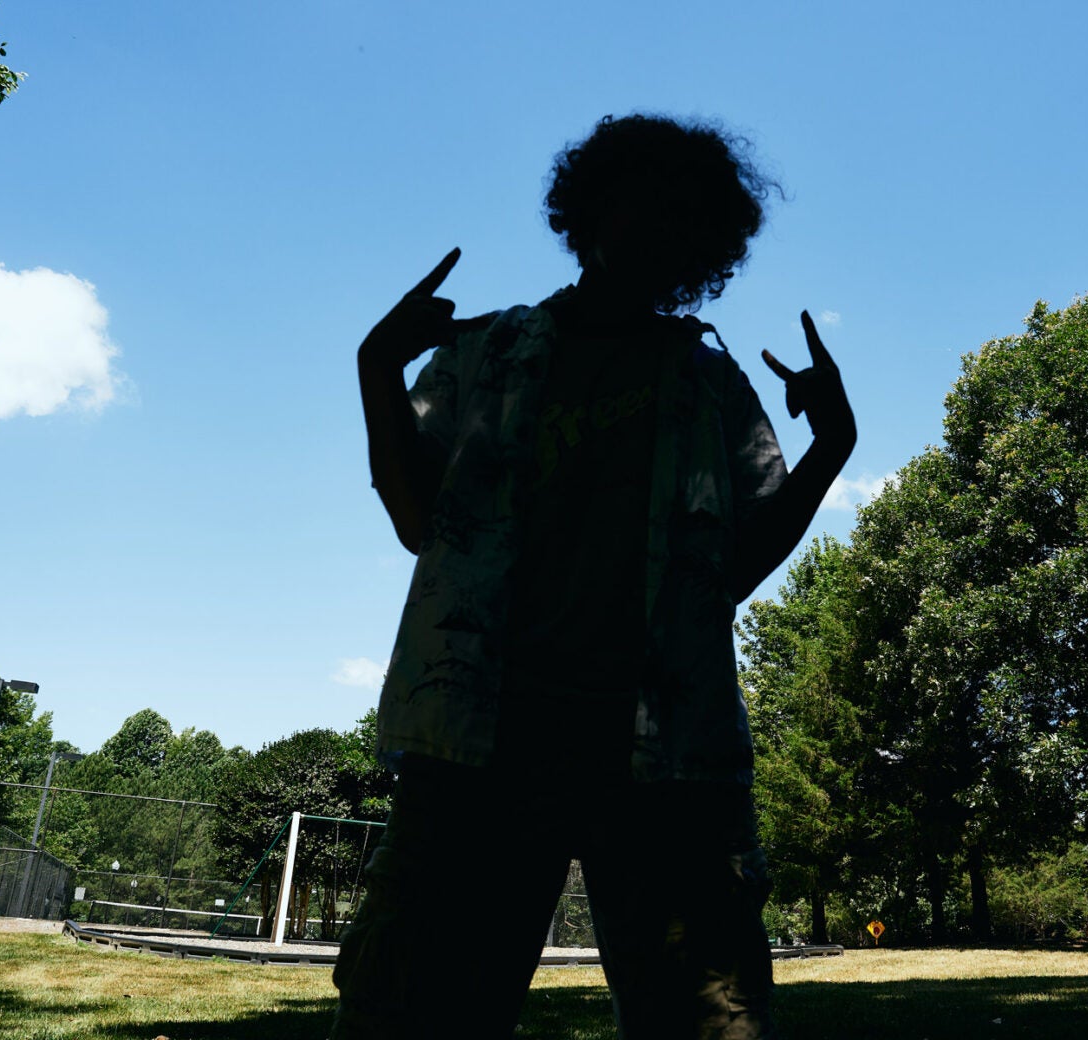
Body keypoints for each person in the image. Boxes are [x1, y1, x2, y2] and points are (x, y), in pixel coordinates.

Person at [331, 113, 855, 1040]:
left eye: (687, 218)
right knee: (413, 1016)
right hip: (481, 748)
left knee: (708, 1025)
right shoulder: (489, 355)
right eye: (643, 204)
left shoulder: (710, 387)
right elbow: (422, 525)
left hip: (668, 764)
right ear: (590, 213)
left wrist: (830, 452)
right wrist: (376, 369)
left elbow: (721, 577)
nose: (664, 230)